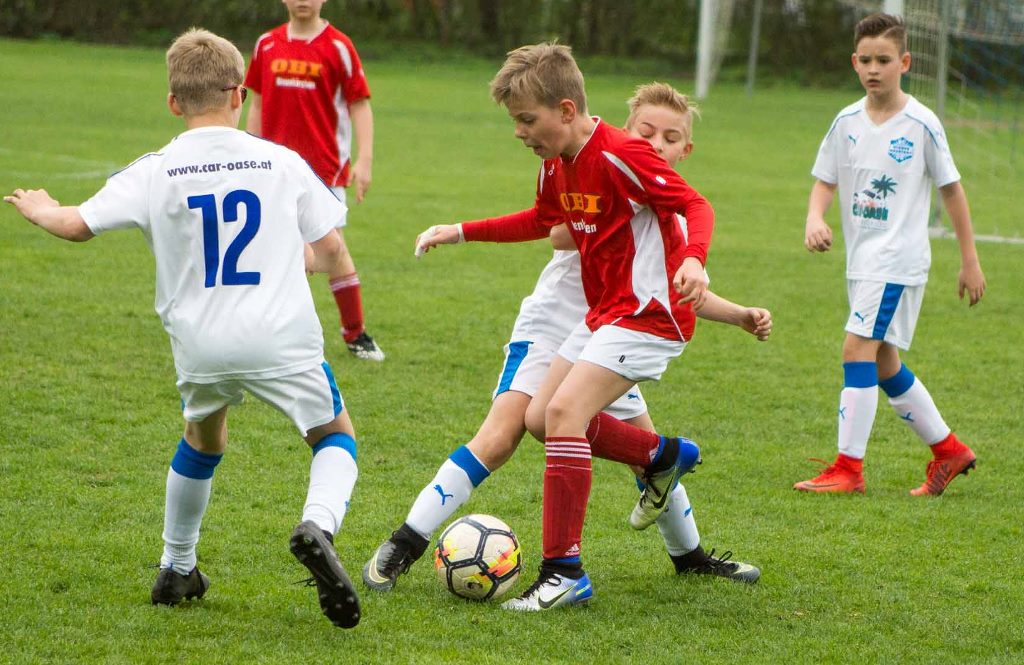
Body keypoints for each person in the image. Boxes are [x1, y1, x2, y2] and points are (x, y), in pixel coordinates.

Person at [4, 28, 363, 629]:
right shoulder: (281, 161)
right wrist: (290, 256)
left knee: (202, 439)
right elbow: (331, 253)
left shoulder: (156, 169)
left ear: (173, 102)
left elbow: (76, 226)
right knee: (334, 437)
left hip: (201, 342)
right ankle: (318, 527)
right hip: (281, 335)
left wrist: (41, 209)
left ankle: (177, 567)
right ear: (240, 94)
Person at [363, 82, 767, 595]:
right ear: (626, 129)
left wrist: (737, 314)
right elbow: (555, 226)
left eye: (670, 139)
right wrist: (463, 229)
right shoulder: (591, 166)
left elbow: (681, 287)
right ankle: (405, 541)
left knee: (638, 449)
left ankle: (688, 556)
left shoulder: (661, 209)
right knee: (504, 433)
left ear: (686, 149)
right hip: (558, 322)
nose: (656, 145)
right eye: (646, 134)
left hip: (617, 327)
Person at [416, 44, 719, 611]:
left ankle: (563, 572)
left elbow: (697, 205)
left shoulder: (623, 154)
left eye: (526, 120)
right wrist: (460, 230)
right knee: (538, 419)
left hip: (646, 314)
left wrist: (695, 261)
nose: (519, 132)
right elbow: (541, 220)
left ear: (565, 109)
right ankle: (663, 455)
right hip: (604, 314)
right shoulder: (556, 163)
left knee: (562, 416)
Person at [794, 13, 986, 496]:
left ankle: (848, 469)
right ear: (854, 63)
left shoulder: (922, 123)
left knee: (855, 349)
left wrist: (970, 260)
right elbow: (824, 179)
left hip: (896, 259)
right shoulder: (846, 122)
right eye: (865, 60)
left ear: (905, 62)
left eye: (883, 60)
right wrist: (815, 217)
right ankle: (949, 451)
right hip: (862, 261)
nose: (873, 69)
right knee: (884, 365)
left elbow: (952, 190)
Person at [244, 0, 384, 361]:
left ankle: (355, 333)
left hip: (324, 170)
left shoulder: (339, 46)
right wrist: (250, 153)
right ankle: (269, 331)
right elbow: (257, 103)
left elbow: (359, 104)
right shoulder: (266, 44)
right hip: (274, 170)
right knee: (271, 246)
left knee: (334, 249)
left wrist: (365, 160)